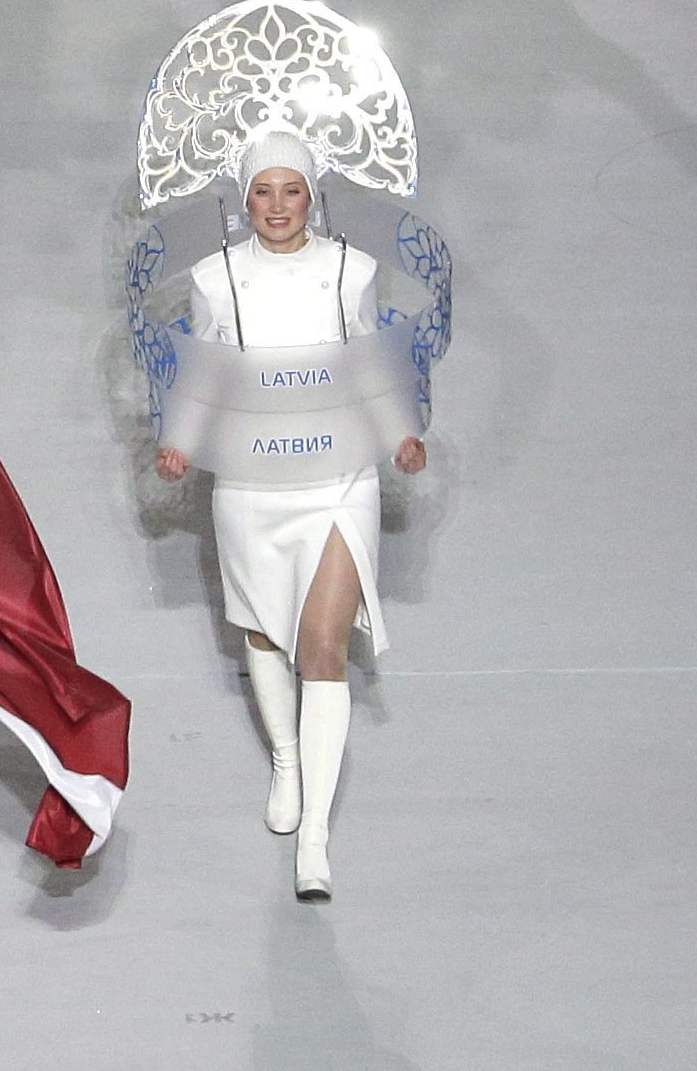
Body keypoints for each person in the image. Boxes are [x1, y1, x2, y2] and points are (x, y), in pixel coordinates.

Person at [153, 136, 427, 900]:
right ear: (244, 199)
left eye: (292, 190)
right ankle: (285, 759)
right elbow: (202, 377)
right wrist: (179, 443)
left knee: (323, 645)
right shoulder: (214, 280)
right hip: (251, 480)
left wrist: (400, 434)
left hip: (338, 480)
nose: (277, 207)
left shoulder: (351, 271)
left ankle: (314, 839)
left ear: (312, 194)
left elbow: (371, 363)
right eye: (263, 192)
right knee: (265, 632)